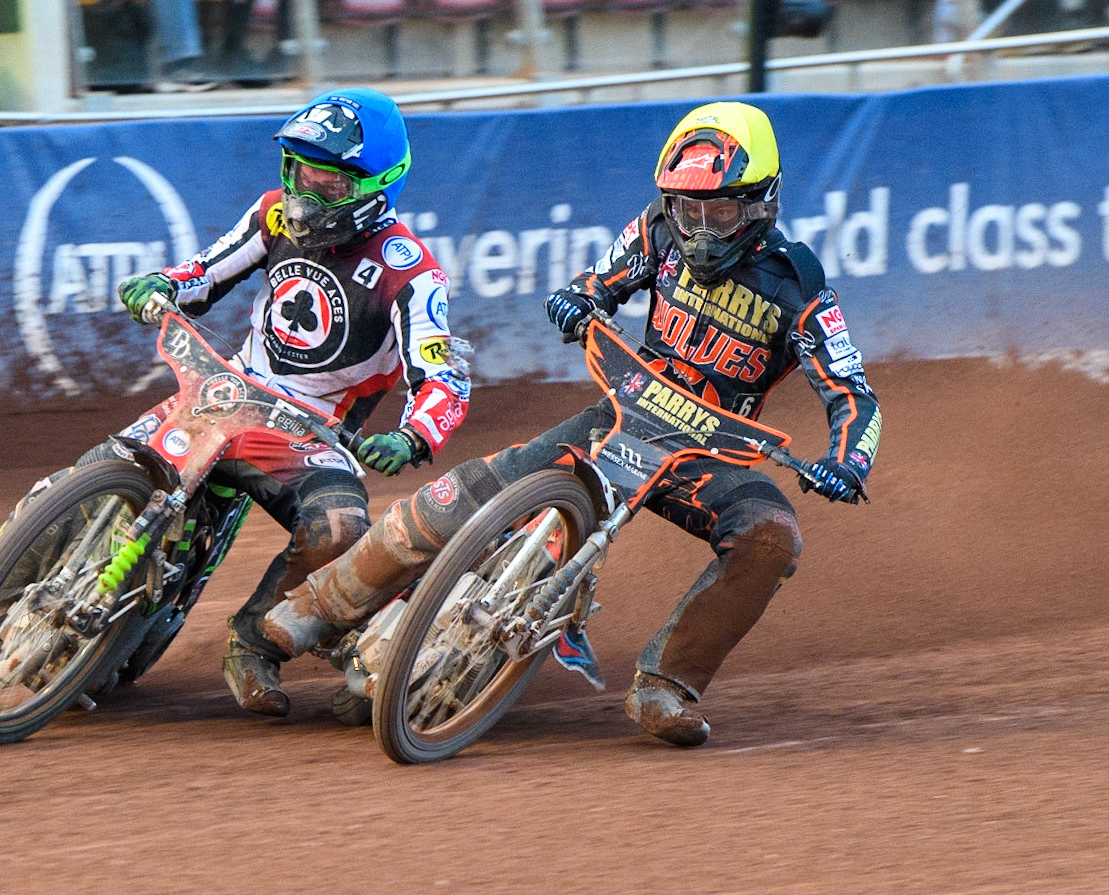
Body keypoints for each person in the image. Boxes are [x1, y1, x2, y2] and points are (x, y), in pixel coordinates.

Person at [258, 101, 882, 747]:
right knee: (468, 489)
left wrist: (847, 461)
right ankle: (312, 608)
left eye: (719, 211)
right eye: (685, 208)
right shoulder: (656, 229)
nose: (699, 229)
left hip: (709, 452)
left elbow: (853, 394)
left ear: (762, 203)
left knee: (772, 537)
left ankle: (666, 684)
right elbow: (600, 281)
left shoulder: (799, 286)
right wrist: (579, 298)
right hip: (622, 409)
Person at [0, 87, 471, 722]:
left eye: (329, 182)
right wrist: (162, 284)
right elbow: (204, 270)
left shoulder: (411, 272)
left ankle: (255, 640)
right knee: (95, 468)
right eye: (301, 172)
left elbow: (445, 377)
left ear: (378, 185)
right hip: (225, 392)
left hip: (310, 431)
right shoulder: (273, 215)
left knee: (338, 530)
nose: (308, 192)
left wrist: (414, 435)